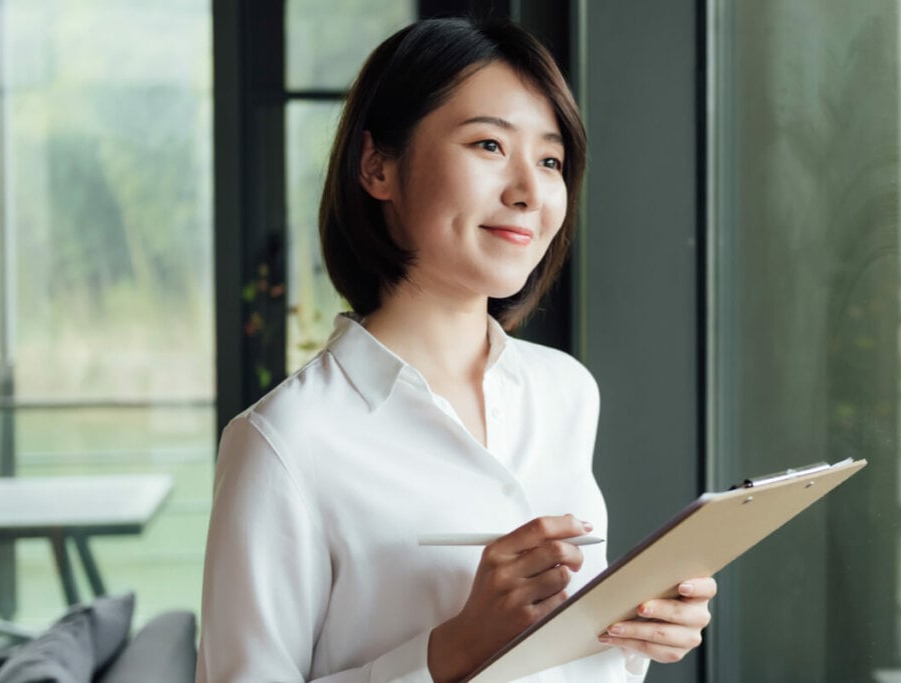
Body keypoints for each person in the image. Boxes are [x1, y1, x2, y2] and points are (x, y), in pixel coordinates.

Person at [197, 16, 715, 683]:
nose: (529, 190)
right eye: (489, 145)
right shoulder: (284, 442)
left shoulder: (566, 392)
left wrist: (634, 633)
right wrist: (448, 651)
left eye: (551, 159)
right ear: (378, 166)